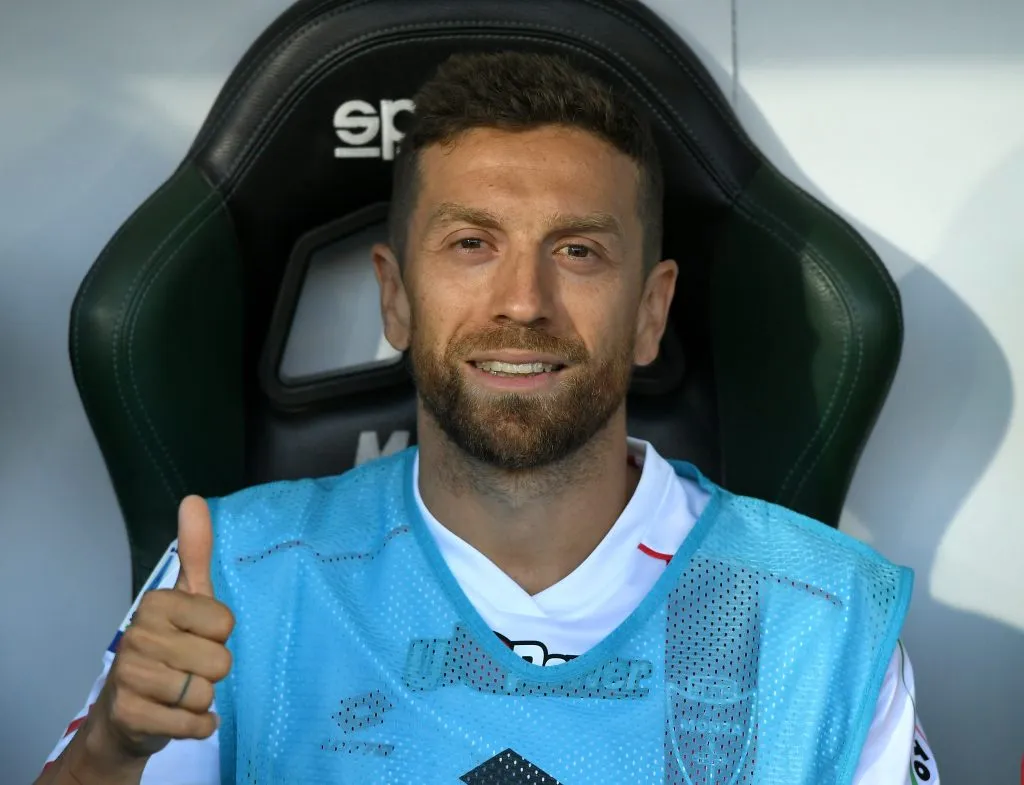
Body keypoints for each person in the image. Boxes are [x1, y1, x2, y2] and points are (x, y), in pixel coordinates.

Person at [37, 51, 940, 784]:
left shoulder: (826, 621)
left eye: (577, 250)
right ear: (395, 297)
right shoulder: (239, 580)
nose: (522, 301)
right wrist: (113, 750)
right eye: (472, 244)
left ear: (651, 312)